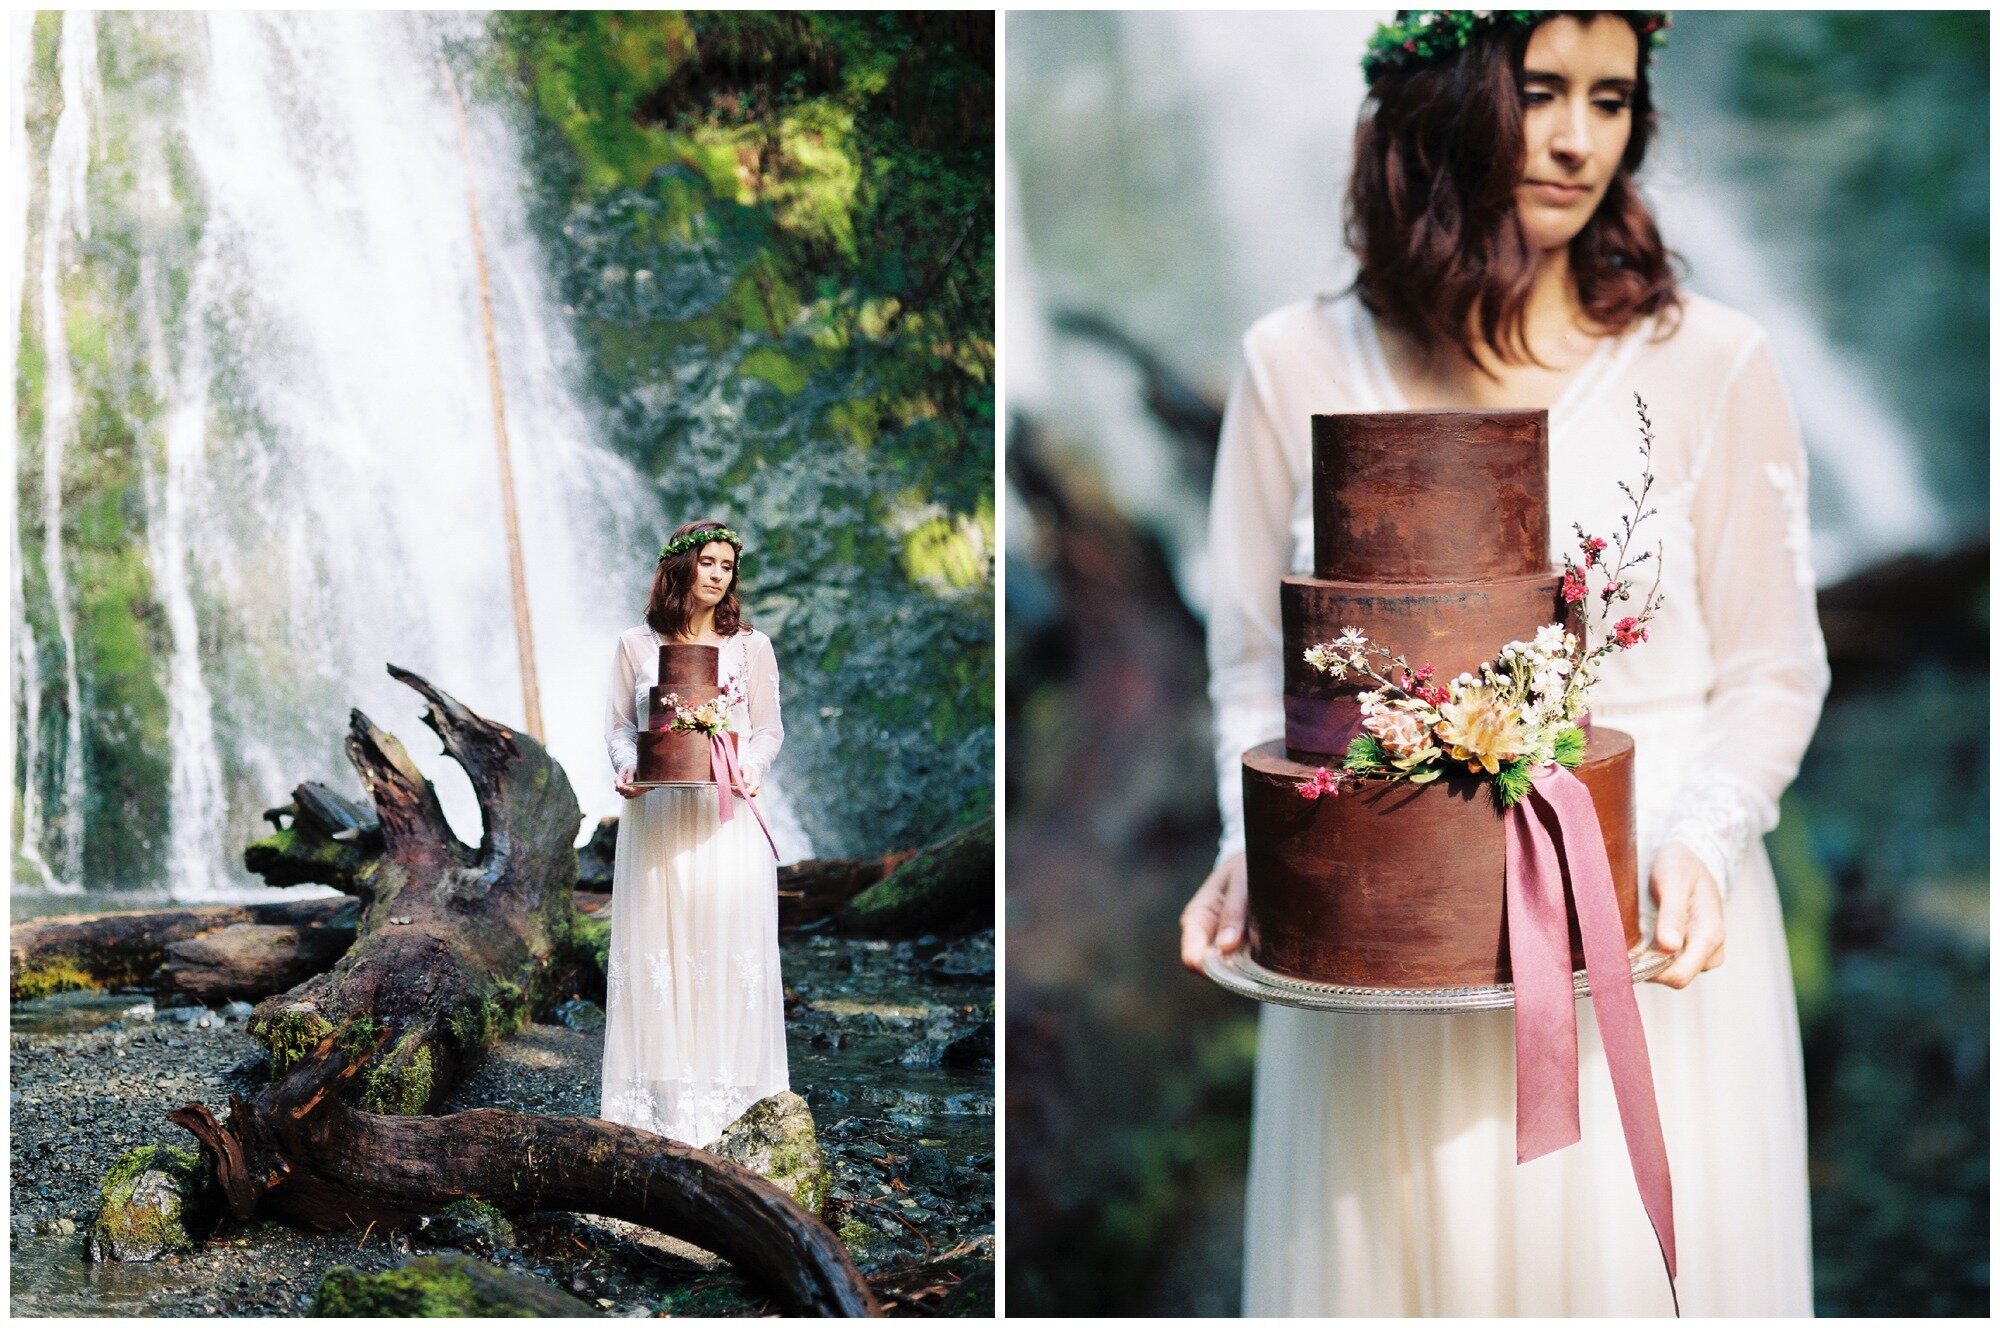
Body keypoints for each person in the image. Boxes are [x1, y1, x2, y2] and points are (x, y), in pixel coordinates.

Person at [1178, 12, 1829, 1316]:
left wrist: (1697, 840)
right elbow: (1253, 665)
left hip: (1637, 938)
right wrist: (1258, 840)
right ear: (1446, 97)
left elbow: (1774, 666)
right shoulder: (1289, 364)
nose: (1582, 139)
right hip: (1380, 934)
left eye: (1613, 98)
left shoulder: (1710, 362)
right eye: (1542, 92)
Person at [599, 519, 788, 1146]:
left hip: (722, 819)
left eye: (727, 566)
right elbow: (621, 727)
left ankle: (731, 1112)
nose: (718, 574)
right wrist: (627, 767)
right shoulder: (634, 644)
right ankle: (662, 1115)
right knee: (663, 951)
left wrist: (752, 771)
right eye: (707, 561)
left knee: (723, 947)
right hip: (656, 817)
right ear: (679, 567)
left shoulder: (751, 647)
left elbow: (767, 729)